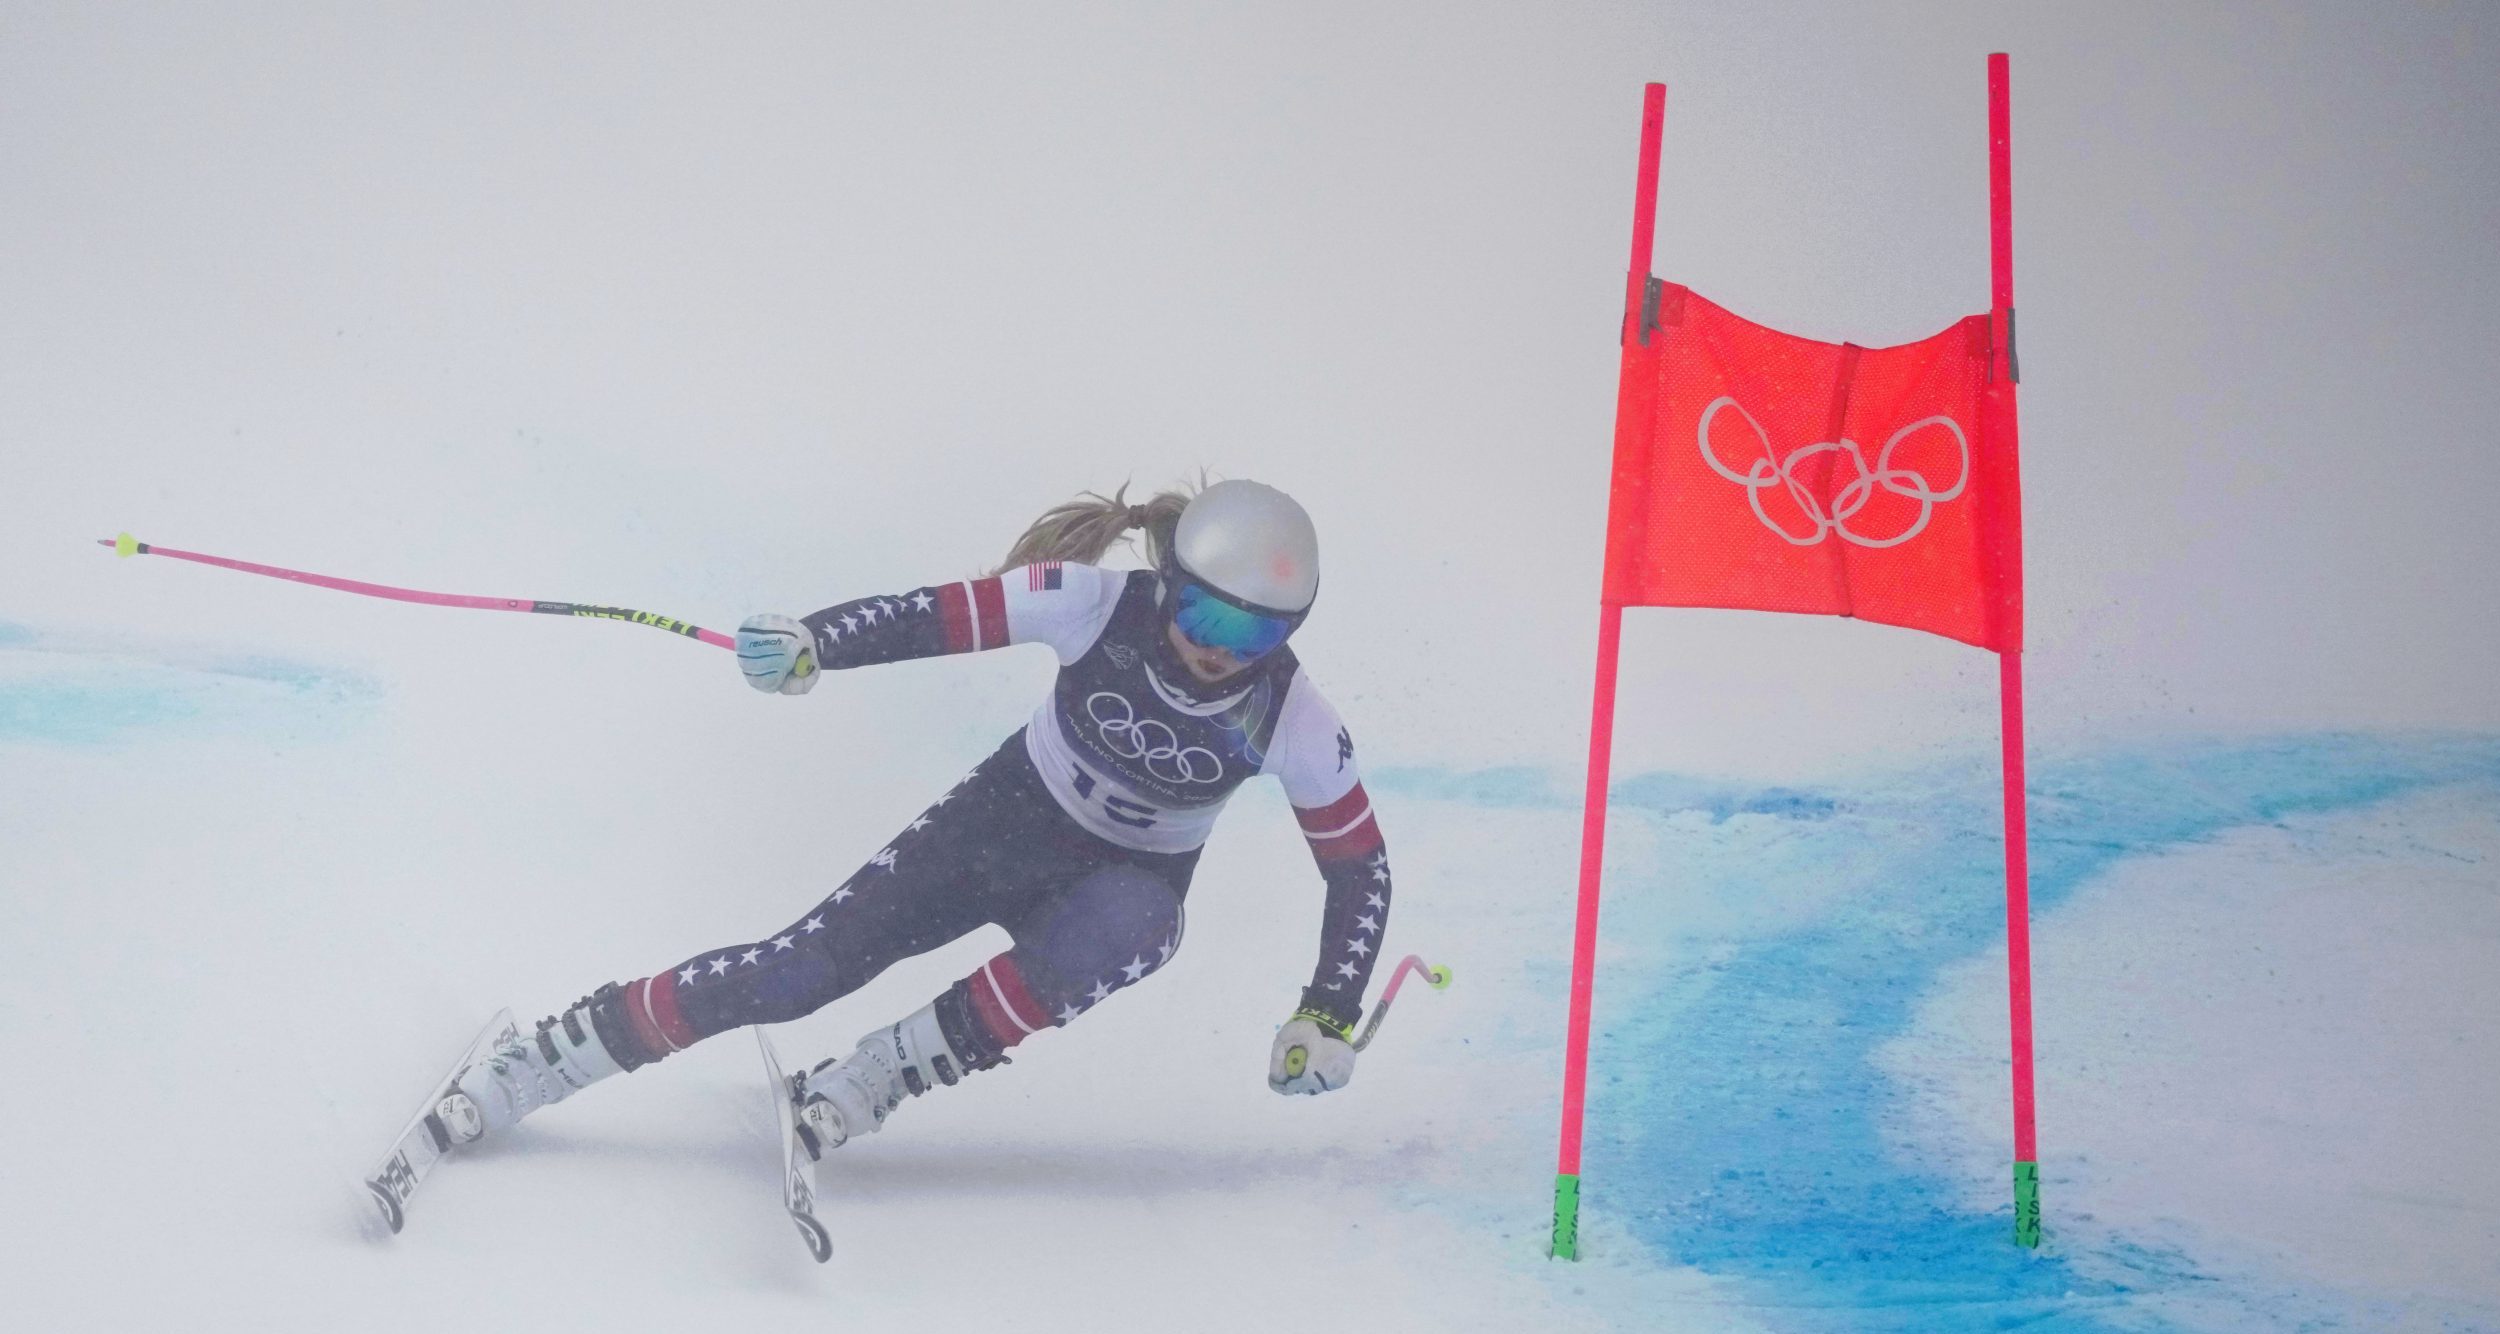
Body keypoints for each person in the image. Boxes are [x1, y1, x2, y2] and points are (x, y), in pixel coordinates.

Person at [429, 479, 1396, 1157]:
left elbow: (1360, 869)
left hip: (1123, 883)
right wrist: (816, 643)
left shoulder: (1296, 720)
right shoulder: (1092, 603)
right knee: (798, 972)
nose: (1217, 648)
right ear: (1169, 581)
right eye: (1205, 615)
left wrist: (1327, 1012)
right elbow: (933, 615)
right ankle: (555, 1055)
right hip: (1006, 821)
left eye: (1254, 632)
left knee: (1146, 924)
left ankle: (878, 1077)